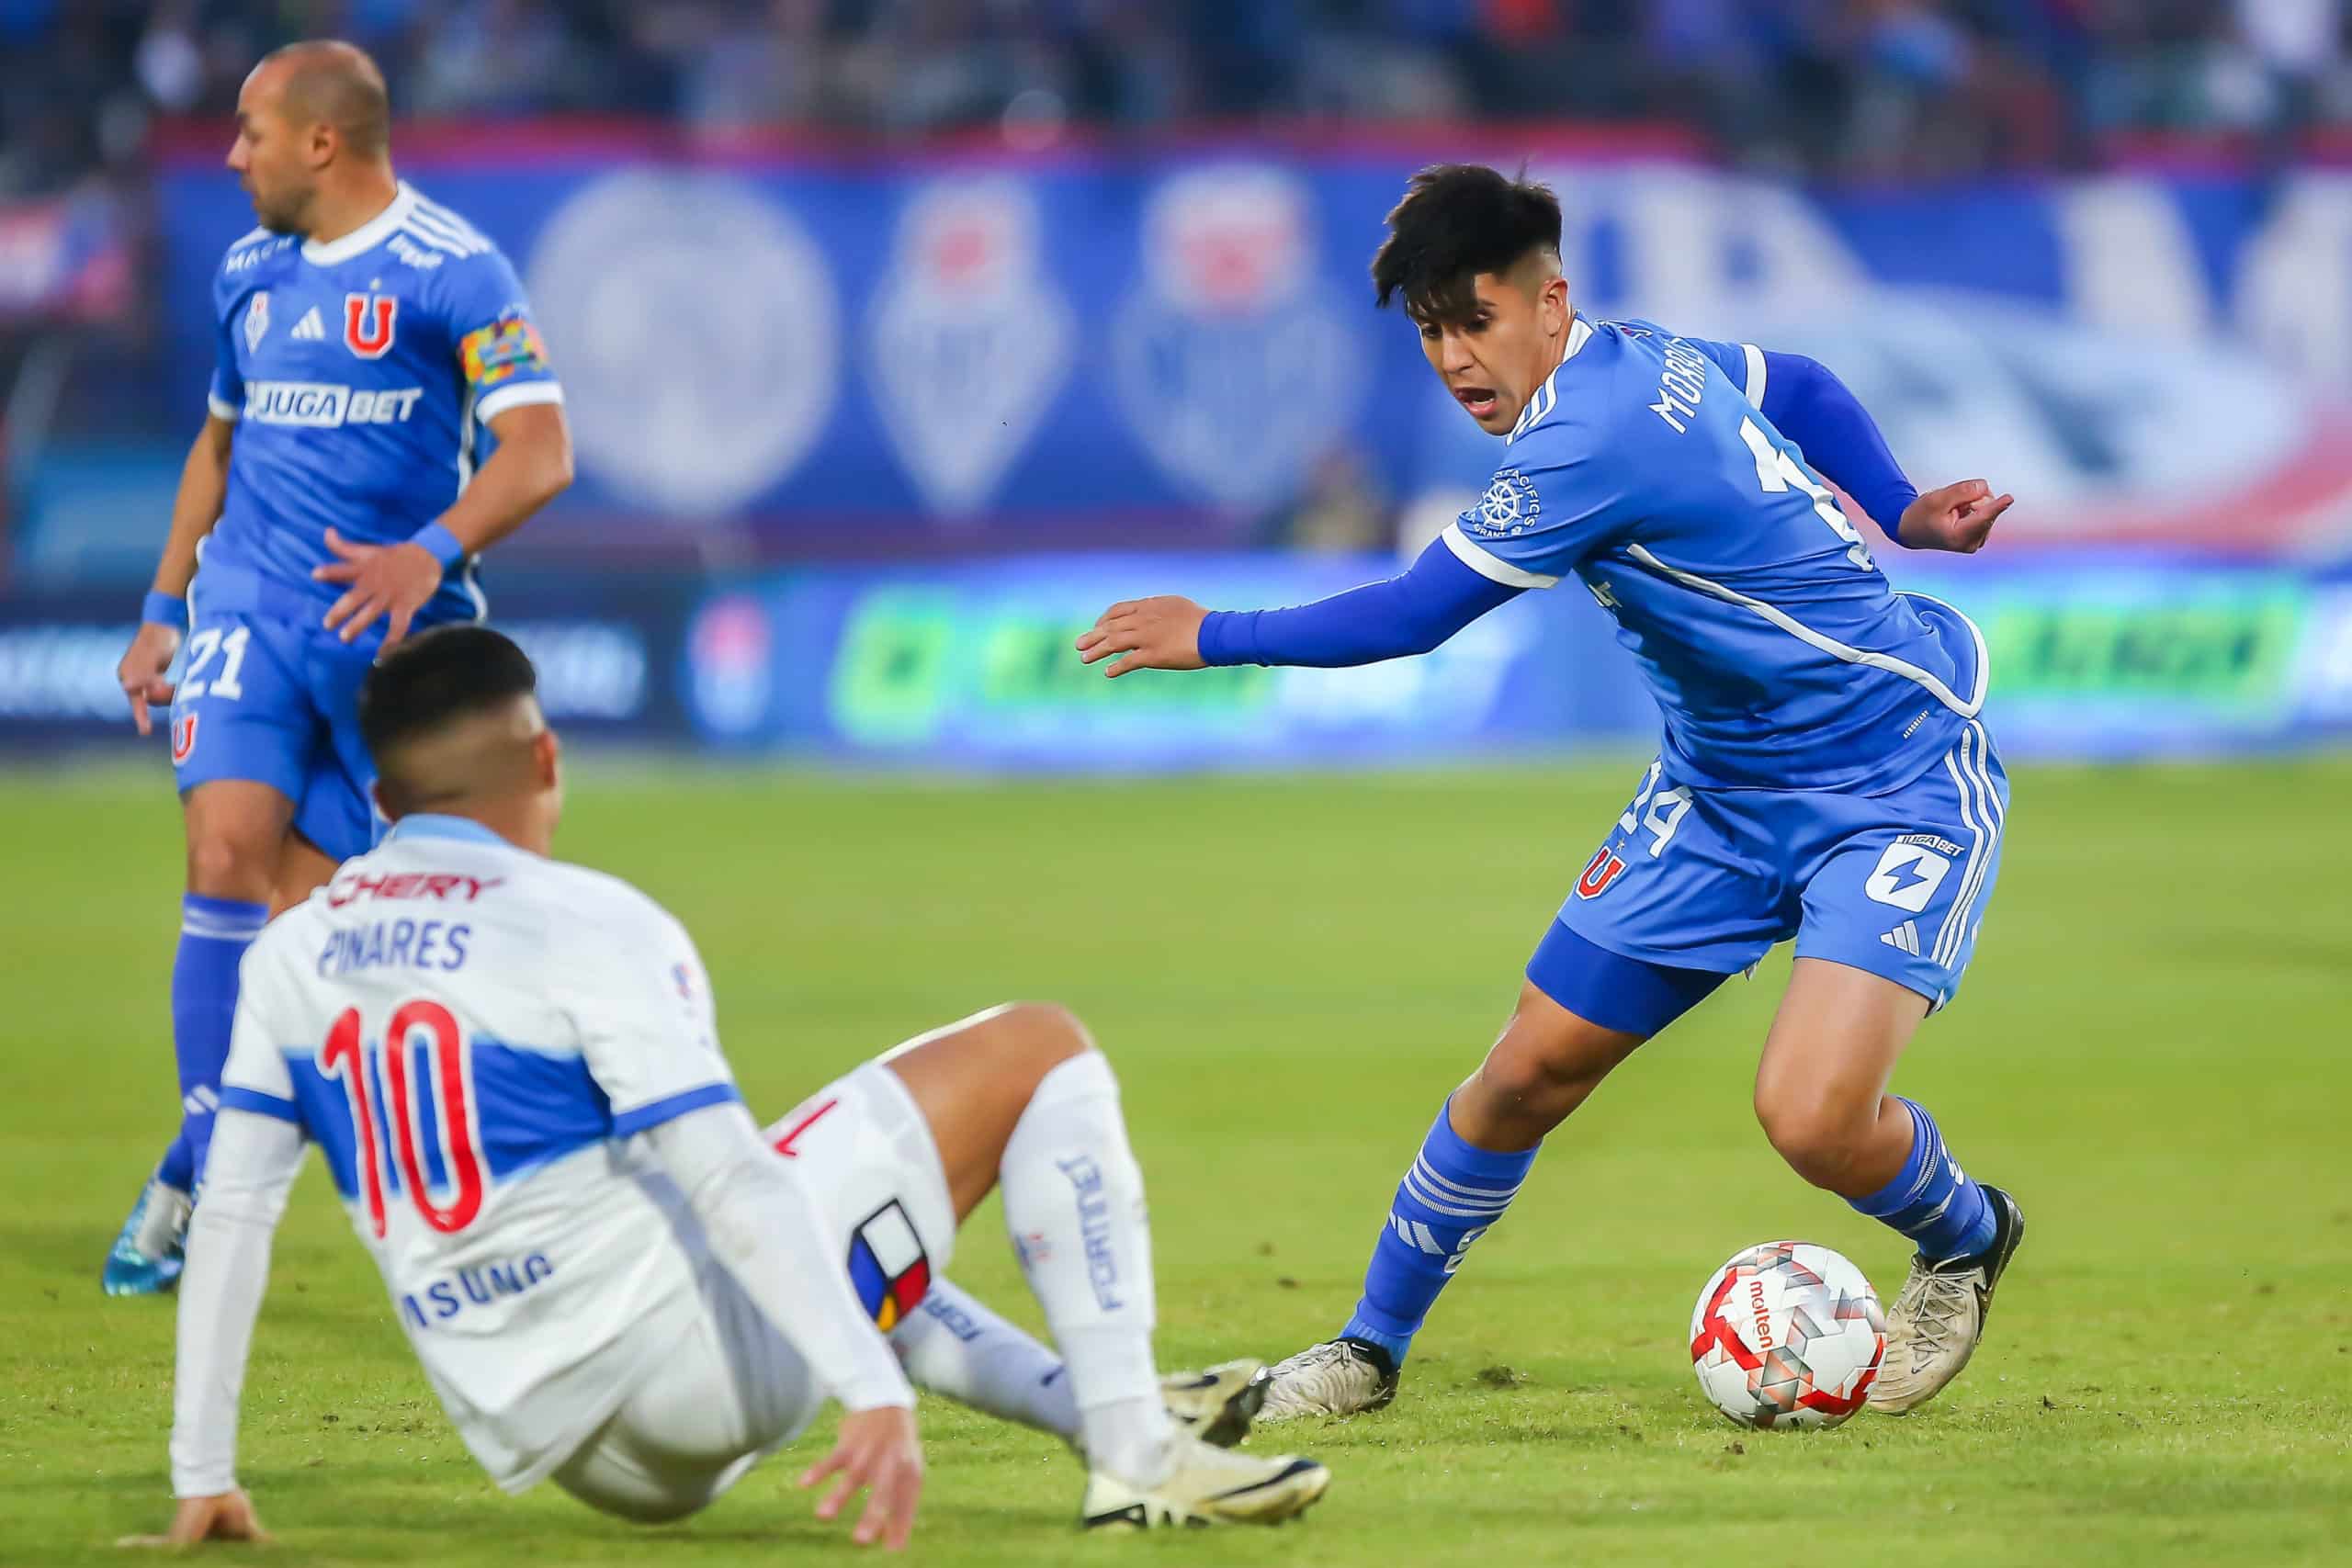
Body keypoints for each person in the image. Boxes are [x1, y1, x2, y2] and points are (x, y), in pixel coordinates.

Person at [1077, 164, 2025, 1422]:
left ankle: (1966, 1234)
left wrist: (1219, 631)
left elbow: (1418, 613)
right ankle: (1366, 1354)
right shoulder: (1643, 360)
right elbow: (1793, 383)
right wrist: (1898, 505)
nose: (1455, 357)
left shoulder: (1592, 435)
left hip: (1893, 777)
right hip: (1720, 797)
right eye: (1427, 331)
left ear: (1547, 301)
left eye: (1473, 320)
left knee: (1810, 1117)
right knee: (1525, 1072)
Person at [128, 626, 1331, 1550]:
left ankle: (1097, 1401)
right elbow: (730, 1179)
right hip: (699, 1383)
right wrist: (868, 1393)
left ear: (382, 804)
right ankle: (1135, 1456)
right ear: (547, 756)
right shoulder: (586, 921)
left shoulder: (293, 957)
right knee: (1039, 1045)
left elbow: (231, 1215)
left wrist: (203, 1473)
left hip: (564, 1445)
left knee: (800, 1210)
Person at [105, 39, 574, 1296]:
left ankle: (191, 1170)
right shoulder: (249, 273)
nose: (229, 151)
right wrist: (164, 607)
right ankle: (219, 1181)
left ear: (322, 141)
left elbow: (538, 452)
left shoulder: (453, 270)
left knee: (334, 942)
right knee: (222, 862)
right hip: (249, 616)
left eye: (249, 129)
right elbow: (218, 446)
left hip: (390, 646)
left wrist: (427, 554)